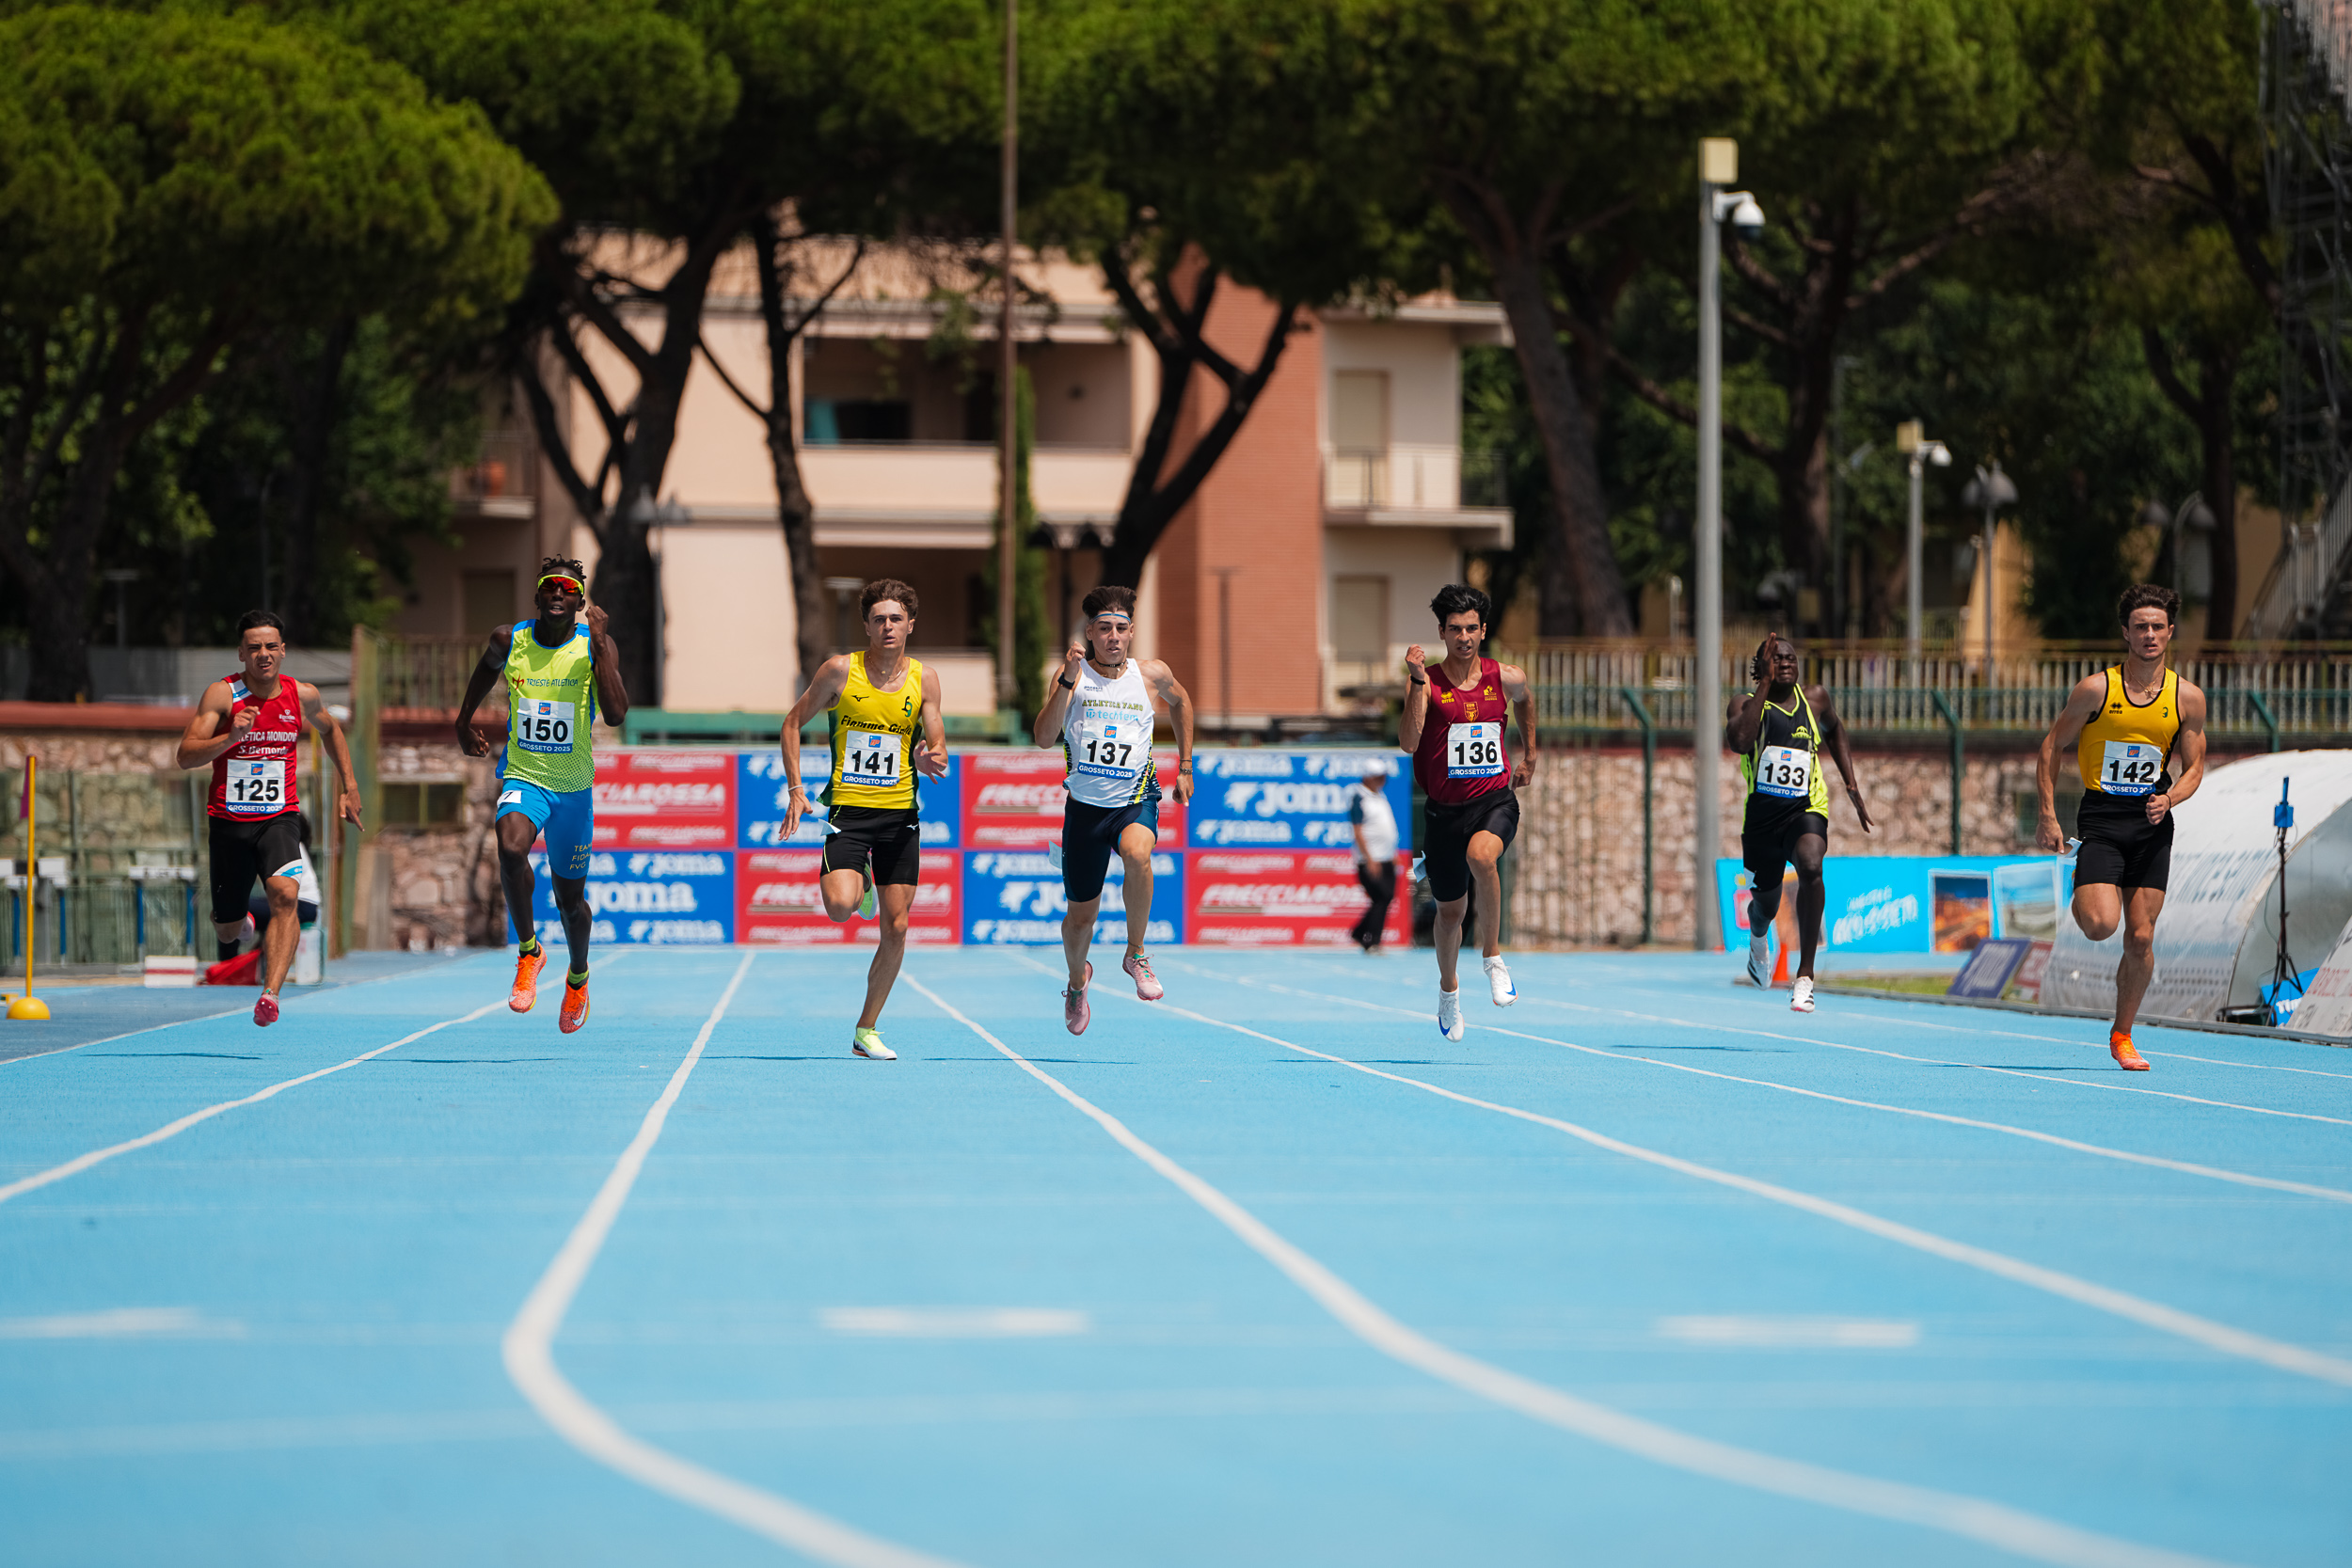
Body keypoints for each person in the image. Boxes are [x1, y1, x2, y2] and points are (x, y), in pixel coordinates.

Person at [2035, 584, 2208, 1070]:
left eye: (2158, 627)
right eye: (2140, 627)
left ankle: (2123, 1035)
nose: (2149, 635)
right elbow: (2052, 745)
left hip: (2151, 821)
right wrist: (2047, 814)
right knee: (2099, 925)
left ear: (2170, 632)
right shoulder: (2097, 689)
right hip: (2103, 818)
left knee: (2141, 938)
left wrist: (2170, 798)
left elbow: (2196, 766)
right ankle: (2084, 881)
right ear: (2126, 633)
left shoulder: (2187, 698)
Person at [454, 557, 628, 1034]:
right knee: (510, 849)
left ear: (579, 601)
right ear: (537, 596)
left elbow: (616, 714)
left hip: (573, 788)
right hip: (524, 777)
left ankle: (578, 977)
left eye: (568, 589)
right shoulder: (509, 640)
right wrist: (463, 721)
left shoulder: (593, 645)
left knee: (570, 902)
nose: (558, 593)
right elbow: (485, 671)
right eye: (550, 586)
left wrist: (600, 647)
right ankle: (529, 952)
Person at [777, 578, 948, 1060]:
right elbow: (792, 722)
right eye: (879, 619)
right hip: (848, 815)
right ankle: (863, 882)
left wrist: (930, 756)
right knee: (839, 906)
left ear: (910, 625)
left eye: (896, 619)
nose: (888, 626)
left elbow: (938, 743)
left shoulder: (926, 679)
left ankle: (866, 1028)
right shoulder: (839, 671)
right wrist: (796, 789)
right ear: (867, 626)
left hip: (900, 818)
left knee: (897, 927)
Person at [175, 610, 362, 1026]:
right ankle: (239, 922)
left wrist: (349, 787)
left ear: (283, 651)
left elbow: (331, 730)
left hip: (278, 817)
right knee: (227, 929)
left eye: (271, 646)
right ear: (241, 653)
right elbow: (185, 756)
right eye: (254, 647)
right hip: (229, 822)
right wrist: (230, 737)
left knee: (285, 896)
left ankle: (271, 994)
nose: (264, 654)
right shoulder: (222, 695)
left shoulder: (302, 695)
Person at [1033, 585, 1195, 1035]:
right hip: (1085, 809)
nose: (1113, 637)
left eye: (1121, 628)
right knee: (1080, 920)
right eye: (1104, 628)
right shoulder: (1073, 675)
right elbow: (1043, 738)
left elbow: (1182, 703)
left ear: (1131, 632)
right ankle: (1076, 982)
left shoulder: (1152, 674)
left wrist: (1185, 765)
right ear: (1089, 633)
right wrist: (1067, 680)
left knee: (1139, 854)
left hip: (1134, 798)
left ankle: (1135, 953)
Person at [1399, 583, 1534, 1040]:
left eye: (1471, 629)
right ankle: (1448, 990)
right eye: (1455, 629)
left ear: (1483, 630)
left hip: (1493, 800)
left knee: (1482, 856)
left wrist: (1531, 755)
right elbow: (1409, 742)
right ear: (1442, 632)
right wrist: (1418, 681)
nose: (1464, 637)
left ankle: (1493, 957)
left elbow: (1525, 699)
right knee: (1450, 914)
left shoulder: (1506, 677)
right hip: (1443, 813)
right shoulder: (1427, 682)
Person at [1725, 633, 1872, 1013]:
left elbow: (1835, 729)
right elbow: (1740, 741)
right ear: (1762, 667)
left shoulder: (1816, 699)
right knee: (1766, 907)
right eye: (1777, 659)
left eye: (1790, 658)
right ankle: (1758, 936)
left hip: (1806, 808)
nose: (1786, 662)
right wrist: (1765, 685)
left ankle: (1805, 976)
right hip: (1762, 820)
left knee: (1810, 865)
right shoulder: (1744, 704)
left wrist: (1851, 784)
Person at [1347, 758, 1400, 952]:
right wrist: (1369, 858)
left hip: (1386, 857)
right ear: (1368, 777)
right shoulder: (1359, 797)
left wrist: (1393, 852)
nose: (1383, 780)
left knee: (1386, 897)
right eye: (1378, 777)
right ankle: (1371, 940)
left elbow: (1385, 827)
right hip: (1371, 859)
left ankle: (1360, 932)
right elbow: (1358, 830)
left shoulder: (1379, 796)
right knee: (1381, 897)